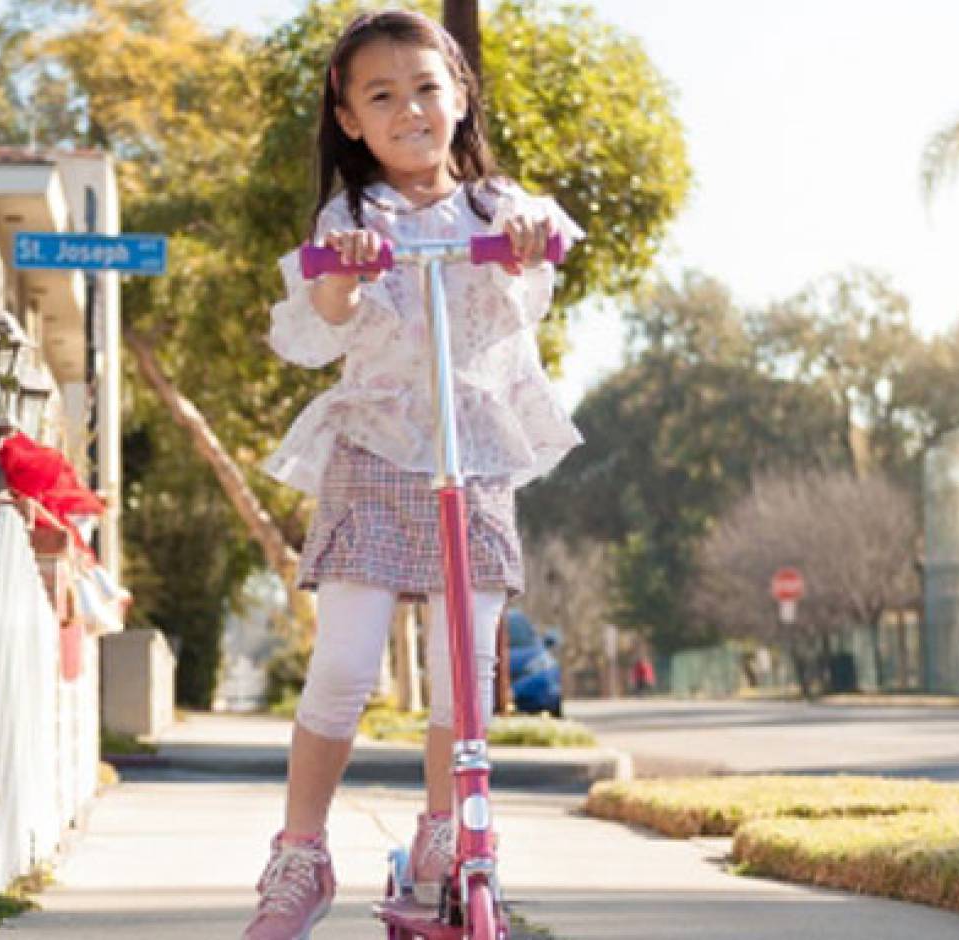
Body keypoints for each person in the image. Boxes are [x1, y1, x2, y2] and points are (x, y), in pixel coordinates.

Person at [243, 10, 584, 938]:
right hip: (379, 453)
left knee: (464, 678)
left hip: (471, 459)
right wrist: (345, 271)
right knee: (346, 665)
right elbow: (325, 316)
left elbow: (536, 263)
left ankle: (449, 838)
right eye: (381, 96)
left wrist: (522, 238)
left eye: (427, 87)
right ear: (351, 120)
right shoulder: (353, 216)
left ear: (459, 95)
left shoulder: (495, 205)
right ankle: (302, 855)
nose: (409, 110)